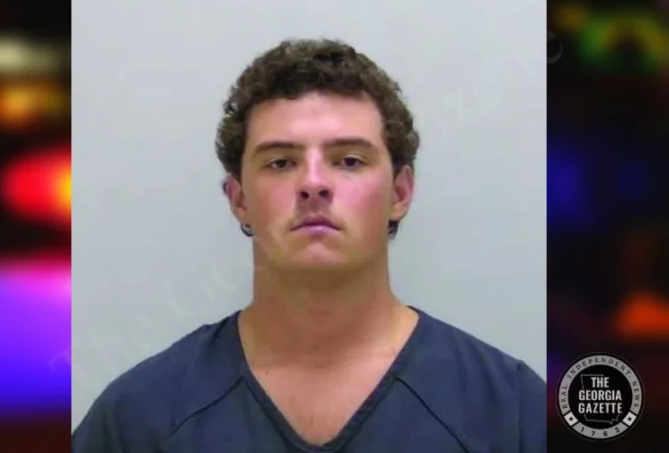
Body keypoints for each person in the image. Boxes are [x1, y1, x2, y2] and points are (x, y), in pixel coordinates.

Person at [72, 38, 546, 452]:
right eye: (280, 162)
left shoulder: (511, 412)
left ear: (399, 194)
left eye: (349, 160)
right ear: (239, 199)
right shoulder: (139, 420)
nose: (313, 183)